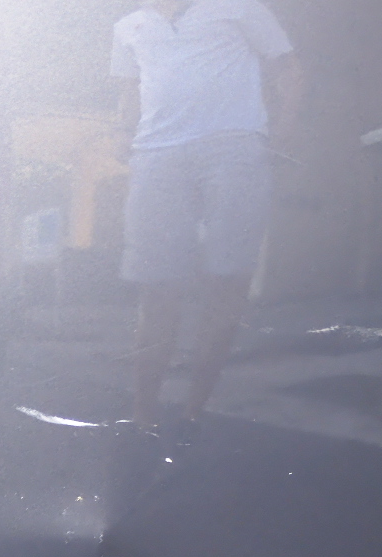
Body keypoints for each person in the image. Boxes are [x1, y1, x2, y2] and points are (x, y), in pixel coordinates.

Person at [112, 0, 301, 433]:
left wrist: (282, 131)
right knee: (157, 286)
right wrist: (122, 132)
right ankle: (143, 418)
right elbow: (128, 92)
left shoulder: (239, 7)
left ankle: (193, 413)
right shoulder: (129, 26)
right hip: (156, 154)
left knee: (227, 279)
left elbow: (289, 68)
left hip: (233, 149)